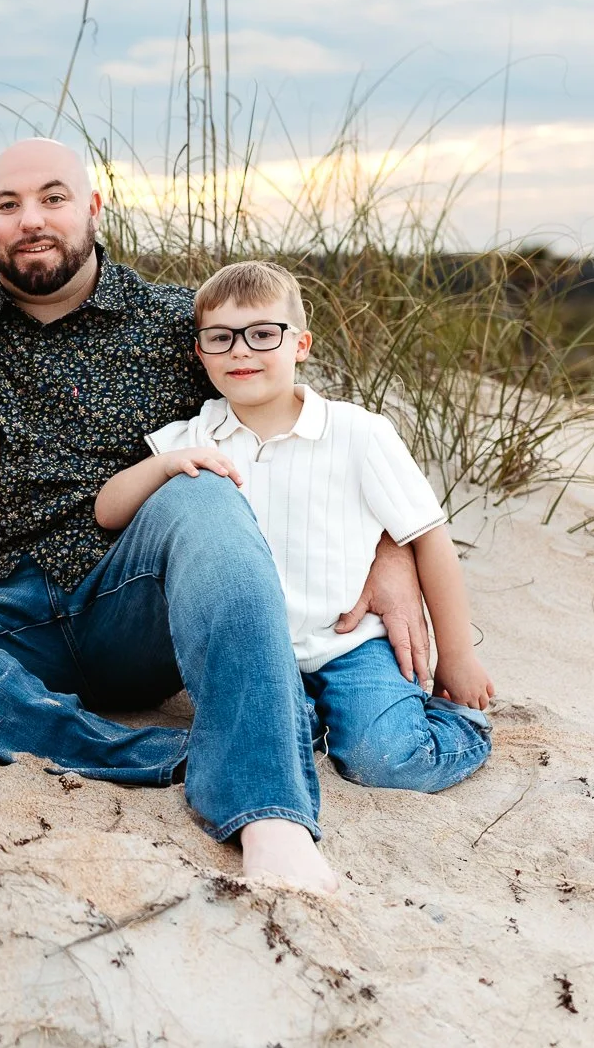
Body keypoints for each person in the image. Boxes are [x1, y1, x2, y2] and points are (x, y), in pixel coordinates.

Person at [0, 139, 428, 895]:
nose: (31, 220)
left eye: (52, 198)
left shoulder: (178, 322)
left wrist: (390, 549)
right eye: (8, 206)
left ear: (93, 207)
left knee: (201, 491)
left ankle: (267, 810)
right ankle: (148, 754)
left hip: (136, 597)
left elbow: (311, 423)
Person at [95, 260, 493, 794]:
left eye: (263, 334)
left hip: (353, 644)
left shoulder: (358, 433)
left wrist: (458, 656)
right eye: (221, 338)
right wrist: (165, 463)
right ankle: (311, 720)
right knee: (284, 736)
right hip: (258, 649)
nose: (241, 350)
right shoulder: (194, 435)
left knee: (387, 760)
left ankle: (459, 727)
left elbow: (428, 538)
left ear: (300, 344)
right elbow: (108, 510)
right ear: (200, 353)